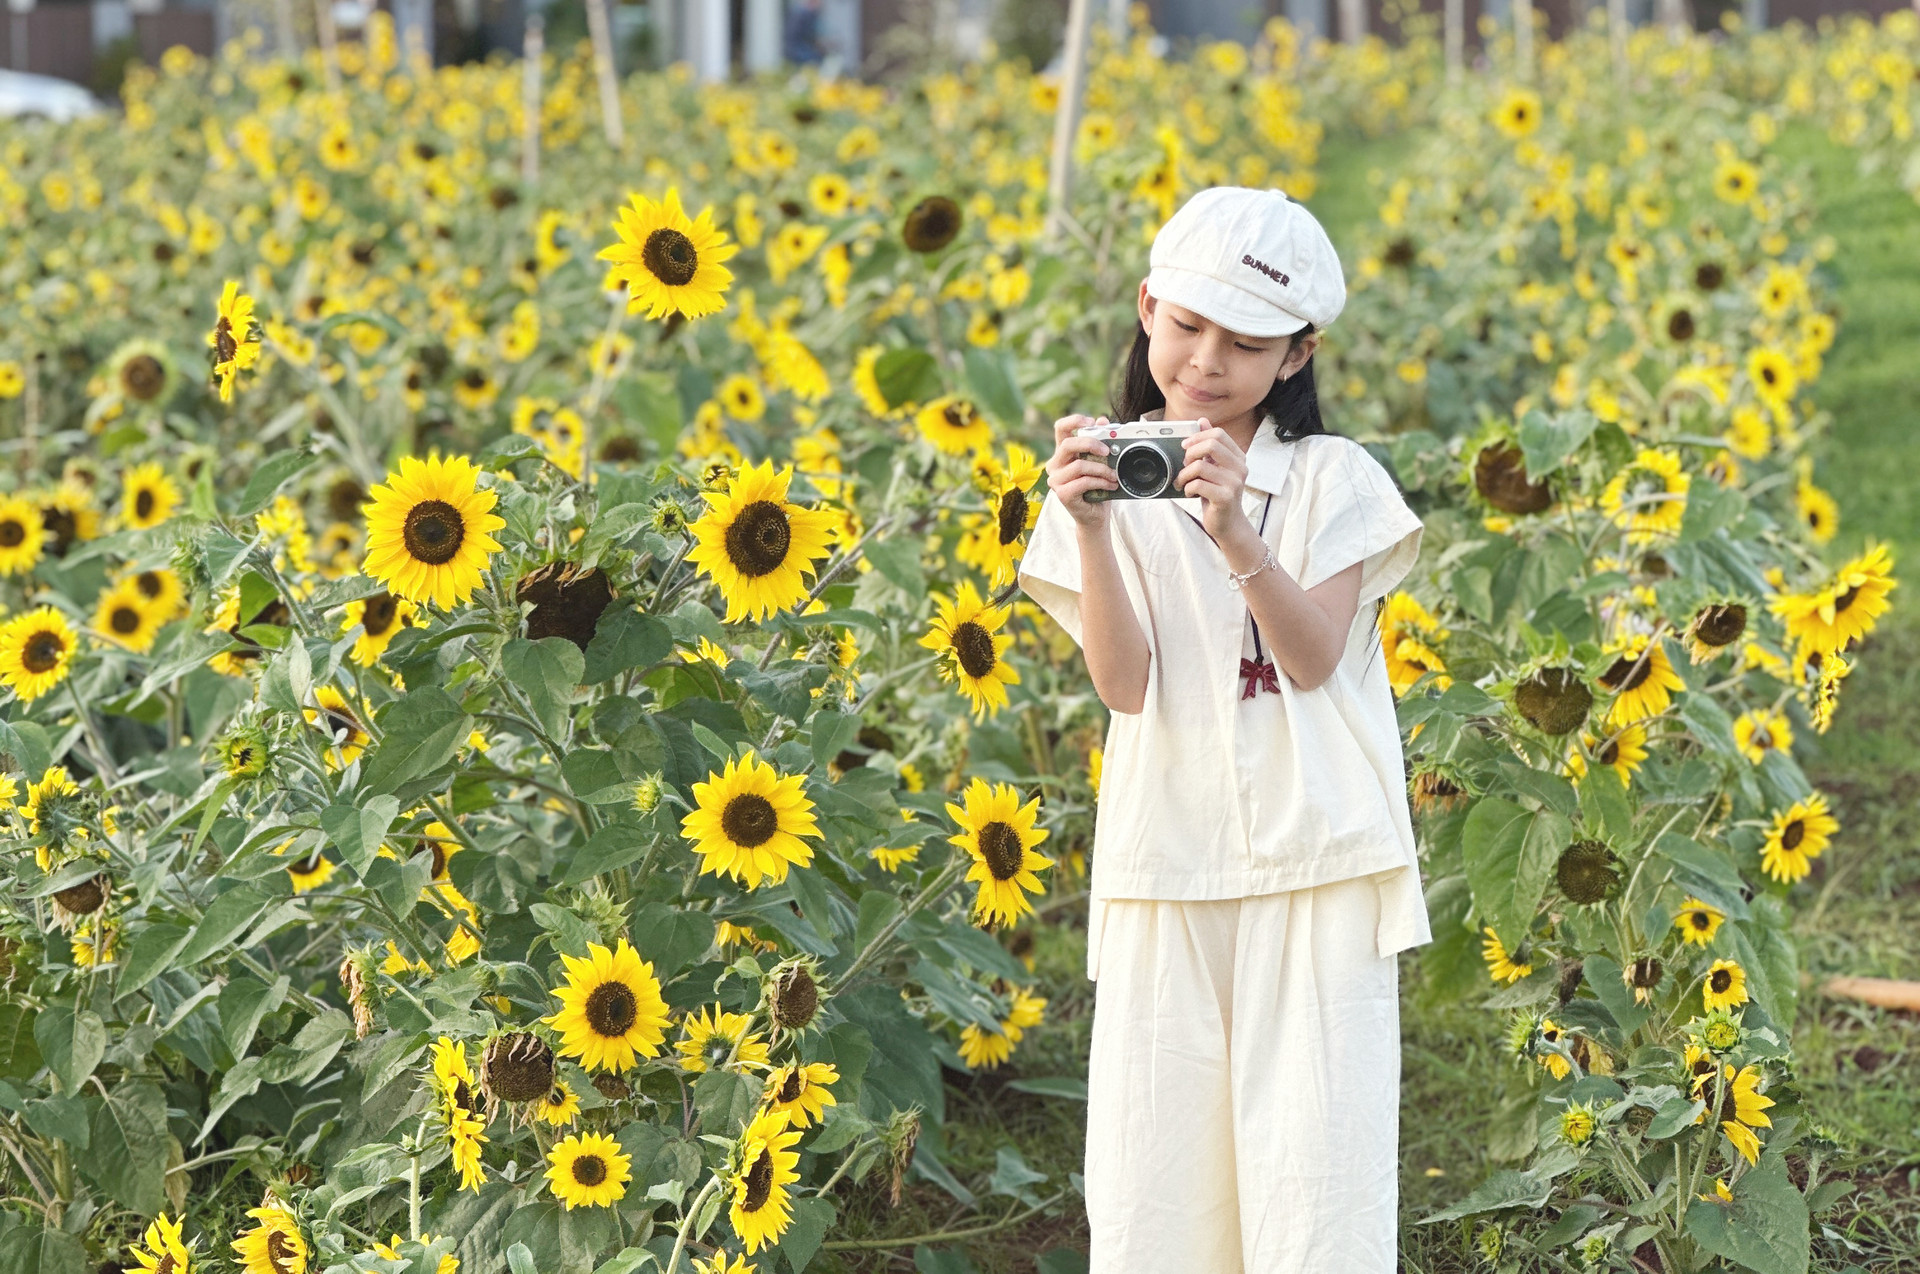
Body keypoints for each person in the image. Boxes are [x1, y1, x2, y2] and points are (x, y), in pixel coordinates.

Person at [1017, 185, 1432, 1272]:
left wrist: (1234, 524)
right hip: (1166, 861)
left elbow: (1309, 656)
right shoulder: (1103, 478)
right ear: (1147, 308)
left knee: (1318, 1189)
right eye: (1187, 326)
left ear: (1297, 356)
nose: (1206, 362)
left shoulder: (1336, 479)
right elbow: (1124, 685)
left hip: (1319, 861)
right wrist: (1094, 532)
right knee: (1155, 1192)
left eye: (1246, 344)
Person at [784, 0, 825, 65]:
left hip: (792, 48)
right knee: (818, 60)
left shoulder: (798, 11)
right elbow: (811, 36)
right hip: (798, 49)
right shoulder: (807, 14)